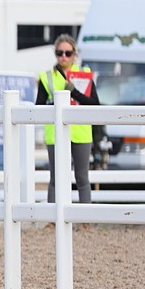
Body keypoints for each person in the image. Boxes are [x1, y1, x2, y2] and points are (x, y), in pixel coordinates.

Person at [36, 34, 100, 209]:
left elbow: (95, 104)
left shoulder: (84, 75)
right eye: (60, 53)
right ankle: (51, 217)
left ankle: (85, 217)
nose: (63, 56)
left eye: (68, 53)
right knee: (56, 178)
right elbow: (39, 107)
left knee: (82, 177)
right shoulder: (46, 77)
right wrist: (57, 104)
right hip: (55, 133)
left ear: (74, 54)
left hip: (81, 132)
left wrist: (74, 93)